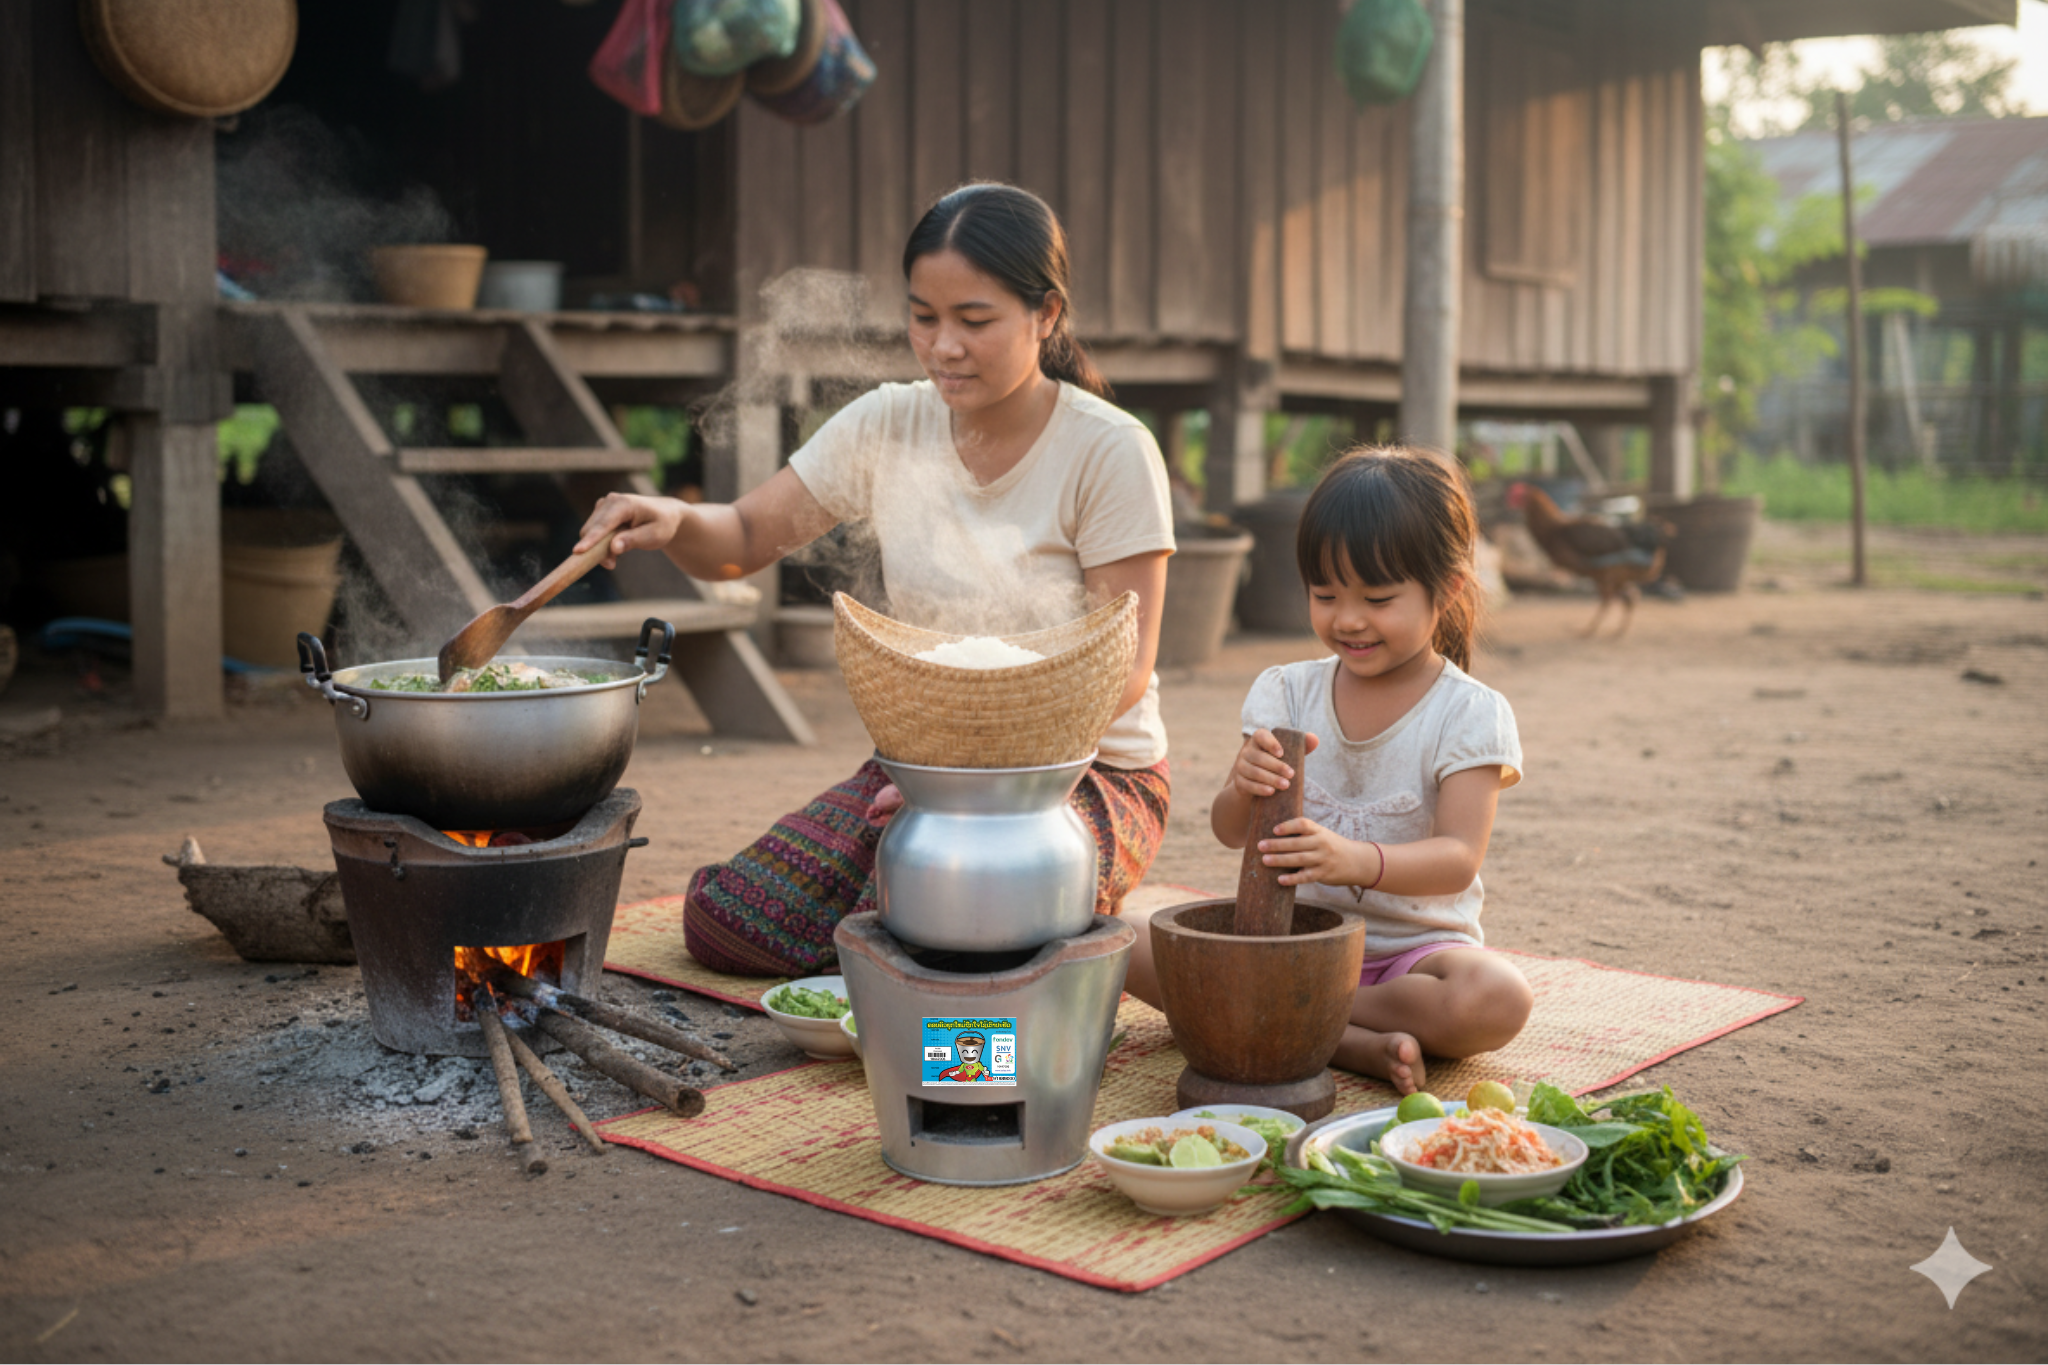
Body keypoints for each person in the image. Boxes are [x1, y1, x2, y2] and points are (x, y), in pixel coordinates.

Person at [573, 182, 1175, 977]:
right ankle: (933, 941)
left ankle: (955, 975)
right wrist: (676, 521)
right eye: (924, 317)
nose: (944, 346)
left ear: (1047, 314)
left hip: (1080, 773)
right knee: (727, 921)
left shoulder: (1110, 450)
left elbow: (1123, 676)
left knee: (972, 920)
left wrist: (976, 794)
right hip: (922, 764)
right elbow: (747, 535)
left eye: (975, 320)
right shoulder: (889, 421)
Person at [1118, 447, 1531, 1095]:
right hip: (1284, 940)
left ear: (1446, 589)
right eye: (1326, 593)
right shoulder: (1287, 692)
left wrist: (1354, 859)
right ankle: (1340, 1041)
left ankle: (1290, 1018)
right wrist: (1241, 784)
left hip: (1407, 963)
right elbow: (1232, 830)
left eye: (1378, 597)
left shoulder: (1469, 712)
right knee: (1126, 937)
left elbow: (1458, 857)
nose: (1348, 618)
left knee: (1497, 995)